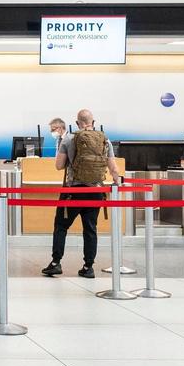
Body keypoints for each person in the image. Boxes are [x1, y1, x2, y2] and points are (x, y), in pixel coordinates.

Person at [42, 109, 120, 279]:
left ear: (77, 123)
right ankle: (88, 267)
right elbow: (113, 168)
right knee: (90, 229)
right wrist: (116, 181)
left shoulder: (69, 139)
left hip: (73, 191)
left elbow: (59, 166)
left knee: (61, 226)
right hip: (95, 191)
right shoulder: (105, 140)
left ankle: (56, 263)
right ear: (94, 122)